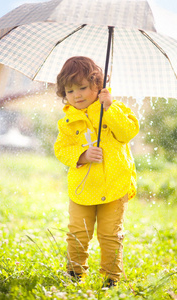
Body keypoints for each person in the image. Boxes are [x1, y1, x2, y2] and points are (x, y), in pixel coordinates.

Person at [54, 56, 139, 287]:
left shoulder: (114, 107)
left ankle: (111, 277)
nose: (77, 95)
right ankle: (75, 272)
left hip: (114, 184)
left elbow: (127, 132)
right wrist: (81, 156)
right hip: (84, 187)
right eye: (70, 91)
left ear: (98, 86)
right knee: (78, 231)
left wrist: (109, 108)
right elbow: (61, 149)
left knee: (111, 234)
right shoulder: (68, 121)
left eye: (83, 87)